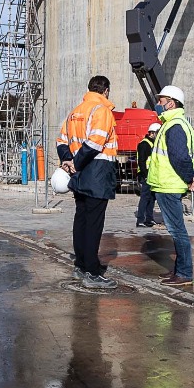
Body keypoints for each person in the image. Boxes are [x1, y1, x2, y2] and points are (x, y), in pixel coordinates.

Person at [56, 75, 119, 290]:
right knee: (93, 223)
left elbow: (61, 141)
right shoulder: (102, 110)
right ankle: (92, 272)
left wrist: (69, 161)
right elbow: (95, 142)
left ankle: (81, 265)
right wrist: (76, 163)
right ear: (106, 90)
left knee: (81, 219)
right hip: (97, 172)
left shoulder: (75, 112)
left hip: (80, 174)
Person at [147, 84, 194, 287]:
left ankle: (184, 273)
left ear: (171, 104)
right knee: (176, 230)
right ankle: (179, 269)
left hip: (169, 185)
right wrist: (192, 177)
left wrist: (189, 179)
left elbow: (180, 158)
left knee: (177, 231)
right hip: (168, 184)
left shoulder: (174, 126)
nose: (158, 104)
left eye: (161, 101)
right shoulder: (176, 123)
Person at [134, 122, 160, 227]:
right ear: (152, 133)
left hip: (152, 174)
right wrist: (145, 175)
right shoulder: (144, 144)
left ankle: (149, 219)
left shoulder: (154, 144)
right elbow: (141, 161)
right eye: (157, 133)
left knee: (152, 197)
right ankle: (141, 219)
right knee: (145, 197)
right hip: (146, 174)